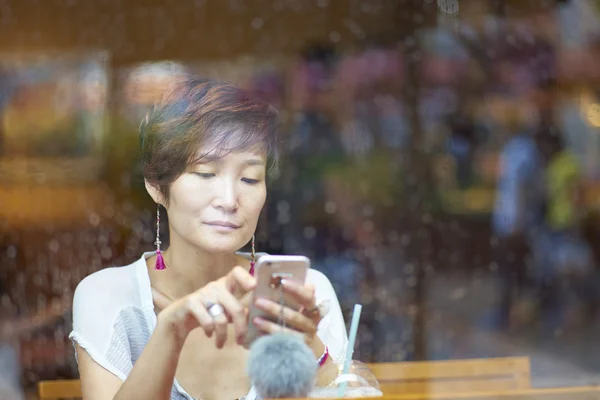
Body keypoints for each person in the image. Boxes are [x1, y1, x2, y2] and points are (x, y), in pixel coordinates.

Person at [69, 77, 348, 400]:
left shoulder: (302, 294)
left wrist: (311, 347)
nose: (229, 200)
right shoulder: (111, 299)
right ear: (156, 186)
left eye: (249, 178)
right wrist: (170, 331)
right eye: (205, 174)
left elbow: (345, 391)